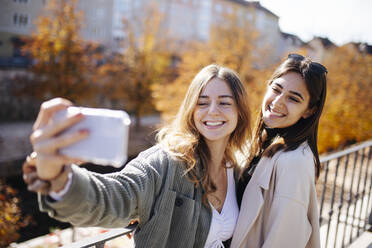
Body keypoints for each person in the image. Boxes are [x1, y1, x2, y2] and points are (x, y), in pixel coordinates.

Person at [23, 64, 252, 247]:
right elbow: (113, 198)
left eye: (224, 103)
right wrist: (58, 177)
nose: (212, 110)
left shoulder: (236, 168)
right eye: (202, 103)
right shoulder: (166, 163)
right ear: (191, 111)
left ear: (240, 112)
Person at [231, 54, 327, 248]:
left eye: (293, 98)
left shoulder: (295, 162)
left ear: (309, 110)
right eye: (276, 89)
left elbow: (284, 241)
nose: (278, 102)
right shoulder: (262, 141)